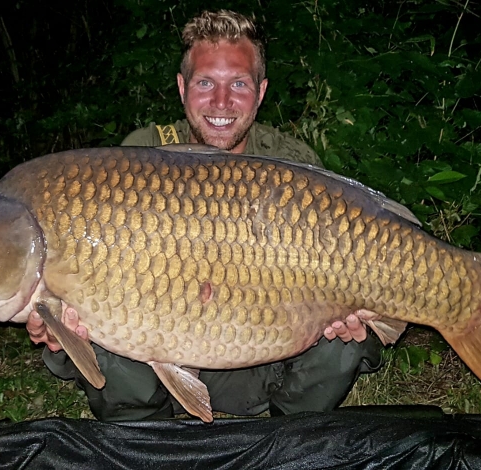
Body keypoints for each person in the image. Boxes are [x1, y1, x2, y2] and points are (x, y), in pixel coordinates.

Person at [26, 10, 382, 421]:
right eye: (205, 83)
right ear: (182, 87)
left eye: (239, 84)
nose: (221, 102)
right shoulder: (139, 156)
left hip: (257, 352)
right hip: (158, 354)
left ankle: (287, 442)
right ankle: (144, 443)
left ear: (261, 91)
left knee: (344, 338)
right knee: (106, 324)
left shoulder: (292, 165)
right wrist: (60, 320)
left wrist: (351, 314)